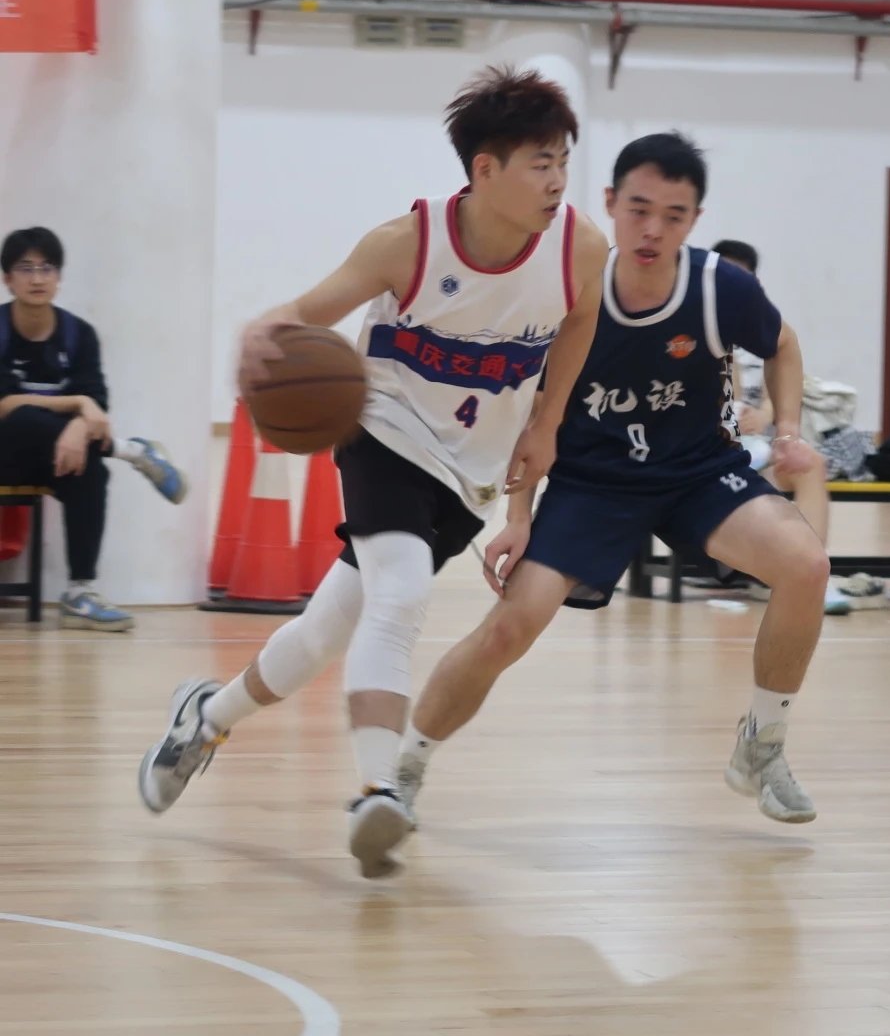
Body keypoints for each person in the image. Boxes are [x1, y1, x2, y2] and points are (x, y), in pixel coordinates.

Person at [137, 67, 609, 877]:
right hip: (382, 431)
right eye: (540, 163)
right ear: (485, 169)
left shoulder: (580, 247)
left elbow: (581, 319)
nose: (558, 179)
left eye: (563, 159)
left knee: (324, 633)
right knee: (402, 594)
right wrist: (259, 332)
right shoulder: (407, 243)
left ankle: (204, 718)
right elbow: (306, 311)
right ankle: (376, 791)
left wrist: (548, 421)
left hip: (470, 470)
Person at [397, 132, 830, 828]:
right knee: (508, 630)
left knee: (806, 565)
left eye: (673, 215)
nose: (653, 229)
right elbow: (534, 413)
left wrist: (787, 429)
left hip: (697, 475)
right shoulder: (568, 289)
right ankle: (402, 773)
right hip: (590, 485)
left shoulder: (720, 287)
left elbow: (782, 344)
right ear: (609, 202)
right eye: (639, 210)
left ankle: (763, 745)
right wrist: (518, 517)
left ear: (695, 219)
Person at [0, 227, 188, 632]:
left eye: (47, 268)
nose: (37, 278)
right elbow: (5, 405)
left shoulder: (78, 334)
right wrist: (78, 407)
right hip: (4, 450)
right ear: (7, 278)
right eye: (26, 268)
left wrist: (81, 422)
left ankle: (79, 592)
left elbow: (97, 405)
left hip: (53, 457)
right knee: (21, 417)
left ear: (59, 276)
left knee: (91, 470)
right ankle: (131, 451)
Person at [711, 238, 882, 615]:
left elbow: (782, 388)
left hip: (758, 456)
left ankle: (815, 575)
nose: (731, 286)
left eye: (741, 278)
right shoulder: (694, 330)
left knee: (810, 463)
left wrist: (766, 416)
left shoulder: (763, 333)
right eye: (724, 276)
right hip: (709, 465)